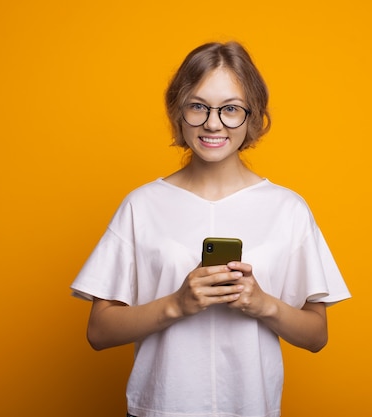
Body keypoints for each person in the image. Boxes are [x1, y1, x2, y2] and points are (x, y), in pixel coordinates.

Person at [71, 41, 351, 417]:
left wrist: (262, 303)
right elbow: (99, 332)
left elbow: (317, 336)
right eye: (198, 106)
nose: (213, 122)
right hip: (160, 409)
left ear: (252, 116)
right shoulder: (142, 205)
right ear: (179, 111)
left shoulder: (288, 209)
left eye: (231, 109)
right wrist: (176, 304)